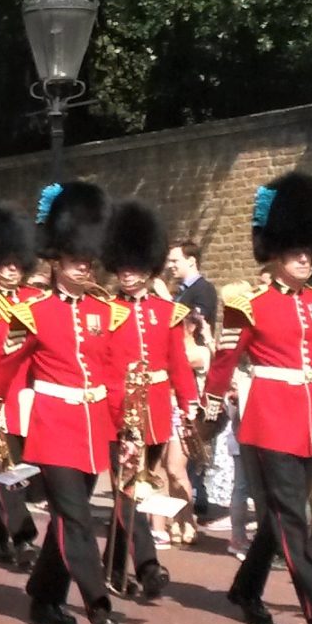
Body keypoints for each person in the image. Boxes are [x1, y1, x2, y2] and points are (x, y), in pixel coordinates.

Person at [207, 172, 312, 624]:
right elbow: (225, 359)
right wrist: (208, 406)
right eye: (295, 252)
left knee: (277, 520)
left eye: (308, 252)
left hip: (311, 423)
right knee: (293, 519)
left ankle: (245, 589)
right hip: (269, 420)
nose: (305, 259)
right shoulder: (249, 305)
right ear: (277, 254)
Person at [0, 182, 123, 624]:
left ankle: (43, 594)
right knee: (78, 519)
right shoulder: (32, 312)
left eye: (88, 259)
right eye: (74, 259)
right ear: (56, 261)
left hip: (93, 426)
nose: (84, 266)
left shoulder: (107, 312)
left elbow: (113, 373)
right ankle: (98, 608)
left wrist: (124, 423)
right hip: (54, 423)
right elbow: (3, 368)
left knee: (68, 520)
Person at [101, 198, 200, 601]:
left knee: (135, 491)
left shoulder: (168, 312)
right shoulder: (106, 311)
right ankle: (147, 565)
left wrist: (189, 402)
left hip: (157, 411)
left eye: (136, 266)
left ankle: (112, 563)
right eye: (123, 267)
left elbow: (178, 362)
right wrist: (115, 409)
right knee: (129, 490)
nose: (128, 274)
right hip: (120, 412)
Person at [0, 203, 41, 567]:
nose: (12, 269)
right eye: (5, 262)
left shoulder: (37, 301)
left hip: (35, 399)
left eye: (17, 262)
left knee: (15, 472)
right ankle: (24, 537)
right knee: (11, 471)